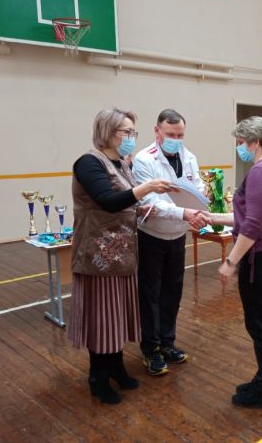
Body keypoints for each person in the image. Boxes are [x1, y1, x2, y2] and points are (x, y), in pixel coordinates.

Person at [69, 107, 176, 404]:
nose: (131, 137)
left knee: (116, 316)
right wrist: (147, 188)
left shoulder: (120, 164)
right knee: (101, 318)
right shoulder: (89, 163)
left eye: (133, 132)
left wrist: (143, 208)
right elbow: (108, 201)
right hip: (99, 258)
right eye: (126, 132)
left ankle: (116, 366)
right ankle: (98, 377)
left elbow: (126, 203)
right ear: (107, 131)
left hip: (123, 255)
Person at [204, 116, 262, 409]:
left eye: (241, 142)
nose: (239, 147)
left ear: (255, 142)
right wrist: (212, 216)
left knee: (261, 326)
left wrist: (230, 261)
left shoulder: (260, 172)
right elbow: (250, 217)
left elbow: (252, 226)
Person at [132, 109, 207, 376]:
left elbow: (198, 188)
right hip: (151, 236)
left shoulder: (189, 157)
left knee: (172, 293)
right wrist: (185, 213)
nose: (176, 140)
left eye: (180, 135)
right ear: (157, 131)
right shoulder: (144, 159)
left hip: (178, 236)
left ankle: (167, 343)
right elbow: (149, 202)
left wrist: (199, 207)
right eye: (170, 134)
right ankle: (151, 349)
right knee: (150, 295)